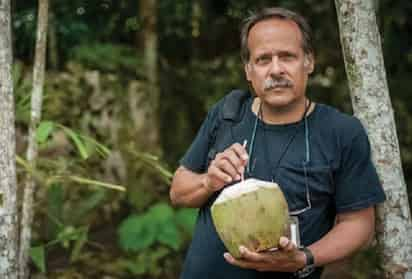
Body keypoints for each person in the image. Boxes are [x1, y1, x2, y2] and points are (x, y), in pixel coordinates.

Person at [169, 7, 386, 279]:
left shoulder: (340, 132)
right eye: (262, 60)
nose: (276, 70)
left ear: (309, 61)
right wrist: (208, 182)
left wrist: (304, 258)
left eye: (287, 57)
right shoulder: (227, 114)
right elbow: (178, 191)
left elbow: (359, 225)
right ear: (249, 70)